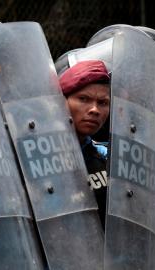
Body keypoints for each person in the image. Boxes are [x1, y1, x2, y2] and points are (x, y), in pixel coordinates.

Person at [59, 60, 110, 229]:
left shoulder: (108, 157)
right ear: (61, 101)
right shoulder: (33, 156)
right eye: (83, 99)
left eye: (103, 103)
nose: (94, 110)